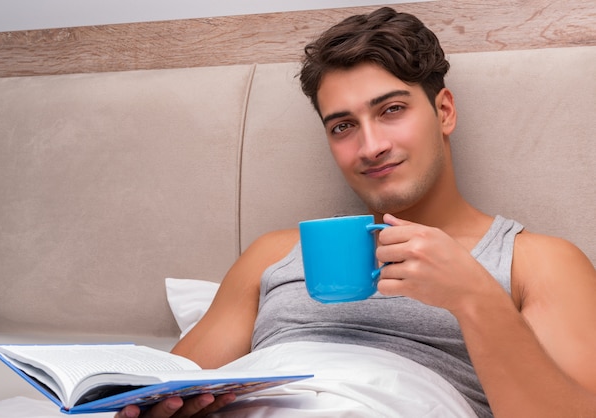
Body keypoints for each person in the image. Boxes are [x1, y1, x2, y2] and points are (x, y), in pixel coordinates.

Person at [116, 7, 596, 418]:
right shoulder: (276, 253)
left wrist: (475, 297)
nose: (371, 147)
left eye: (391, 110)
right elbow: (168, 389)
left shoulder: (536, 261)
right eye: (343, 126)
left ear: (444, 111)